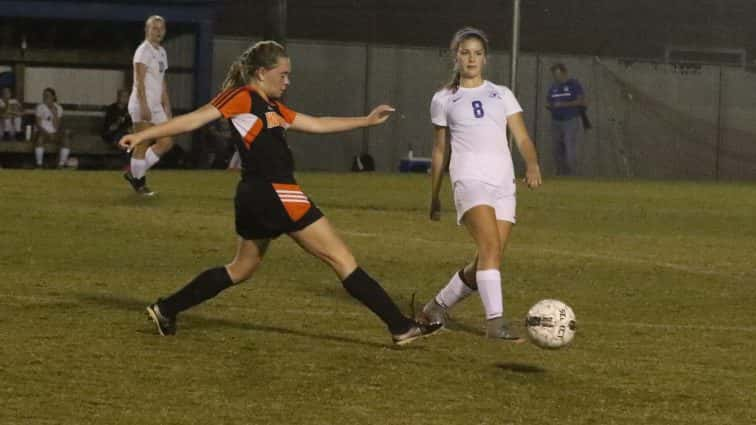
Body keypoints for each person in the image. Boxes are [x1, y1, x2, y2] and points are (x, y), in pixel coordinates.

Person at [118, 40, 441, 345]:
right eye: (282, 75)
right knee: (342, 259)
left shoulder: (271, 107)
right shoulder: (241, 97)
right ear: (261, 73)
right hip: (278, 192)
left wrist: (366, 121)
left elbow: (317, 123)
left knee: (240, 269)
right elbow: (192, 120)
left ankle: (167, 309)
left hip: (255, 197)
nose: (287, 81)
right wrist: (143, 137)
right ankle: (401, 327)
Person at [422, 27, 542, 340]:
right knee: (489, 247)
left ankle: (436, 306)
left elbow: (522, 137)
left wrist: (531, 163)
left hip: (503, 184)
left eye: (477, 53)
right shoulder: (444, 99)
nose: (471, 58)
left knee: (489, 258)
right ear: (456, 57)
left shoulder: (501, 94)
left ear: (485, 59)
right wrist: (434, 196)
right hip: (468, 180)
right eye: (465, 52)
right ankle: (495, 322)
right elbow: (439, 150)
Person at [124, 15, 173, 196]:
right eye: (154, 28)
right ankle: (139, 184)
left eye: (161, 28)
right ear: (147, 30)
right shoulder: (143, 51)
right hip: (141, 103)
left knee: (166, 142)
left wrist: (167, 106)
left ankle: (134, 172)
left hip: (156, 105)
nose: (158, 31)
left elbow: (162, 82)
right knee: (143, 143)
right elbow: (139, 80)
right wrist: (143, 104)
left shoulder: (161, 52)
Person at [547, 63, 586, 176]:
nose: (556, 77)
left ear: (564, 73)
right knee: (557, 149)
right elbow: (550, 101)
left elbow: (581, 101)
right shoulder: (553, 88)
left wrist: (563, 104)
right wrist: (551, 106)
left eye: (558, 74)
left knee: (569, 148)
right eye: (554, 75)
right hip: (555, 121)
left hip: (570, 121)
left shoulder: (574, 84)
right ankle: (560, 174)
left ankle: (572, 175)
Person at [33, 87, 71, 169]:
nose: (45, 97)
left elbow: (57, 126)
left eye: (48, 95)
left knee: (66, 139)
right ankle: (39, 165)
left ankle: (61, 165)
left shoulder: (59, 108)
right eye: (44, 95)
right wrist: (47, 134)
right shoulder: (40, 107)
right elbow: (38, 125)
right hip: (42, 132)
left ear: (53, 97)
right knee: (40, 139)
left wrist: (55, 113)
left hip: (54, 132)